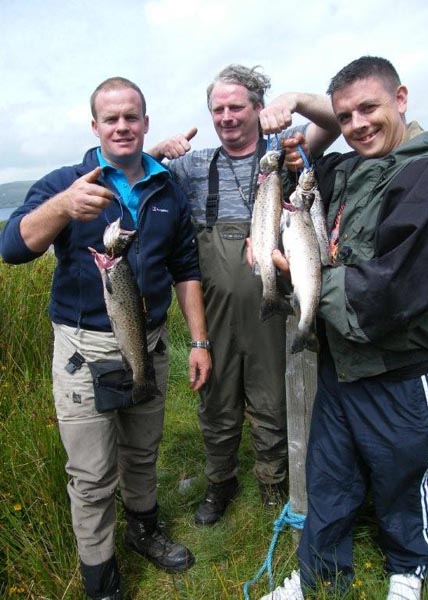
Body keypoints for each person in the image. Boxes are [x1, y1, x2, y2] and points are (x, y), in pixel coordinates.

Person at [0, 77, 212, 600]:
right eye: (111, 118)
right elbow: (12, 247)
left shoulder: (166, 188)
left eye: (131, 117)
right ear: (94, 126)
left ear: (145, 122)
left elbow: (186, 267)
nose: (122, 126)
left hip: (151, 342)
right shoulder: (65, 182)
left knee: (143, 453)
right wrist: (63, 208)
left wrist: (201, 341)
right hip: (84, 351)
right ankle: (101, 578)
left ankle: (143, 530)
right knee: (93, 475)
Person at [251, 56, 428, 600]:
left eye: (371, 108)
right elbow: (307, 184)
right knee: (330, 474)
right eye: (346, 116)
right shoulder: (347, 168)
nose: (358, 124)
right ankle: (318, 573)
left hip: (403, 366)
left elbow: (396, 289)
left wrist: (303, 281)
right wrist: (293, 106)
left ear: (402, 98)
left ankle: (409, 567)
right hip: (340, 361)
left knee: (403, 474)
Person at [149, 64, 340, 525]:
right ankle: (221, 482)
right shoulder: (193, 166)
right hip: (212, 306)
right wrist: (158, 150)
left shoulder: (289, 147)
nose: (227, 116)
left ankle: (274, 482)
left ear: (259, 108)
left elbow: (335, 119)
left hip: (270, 304)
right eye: (218, 108)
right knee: (215, 399)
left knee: (272, 398)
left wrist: (293, 99)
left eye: (237, 106)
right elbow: (132, 173)